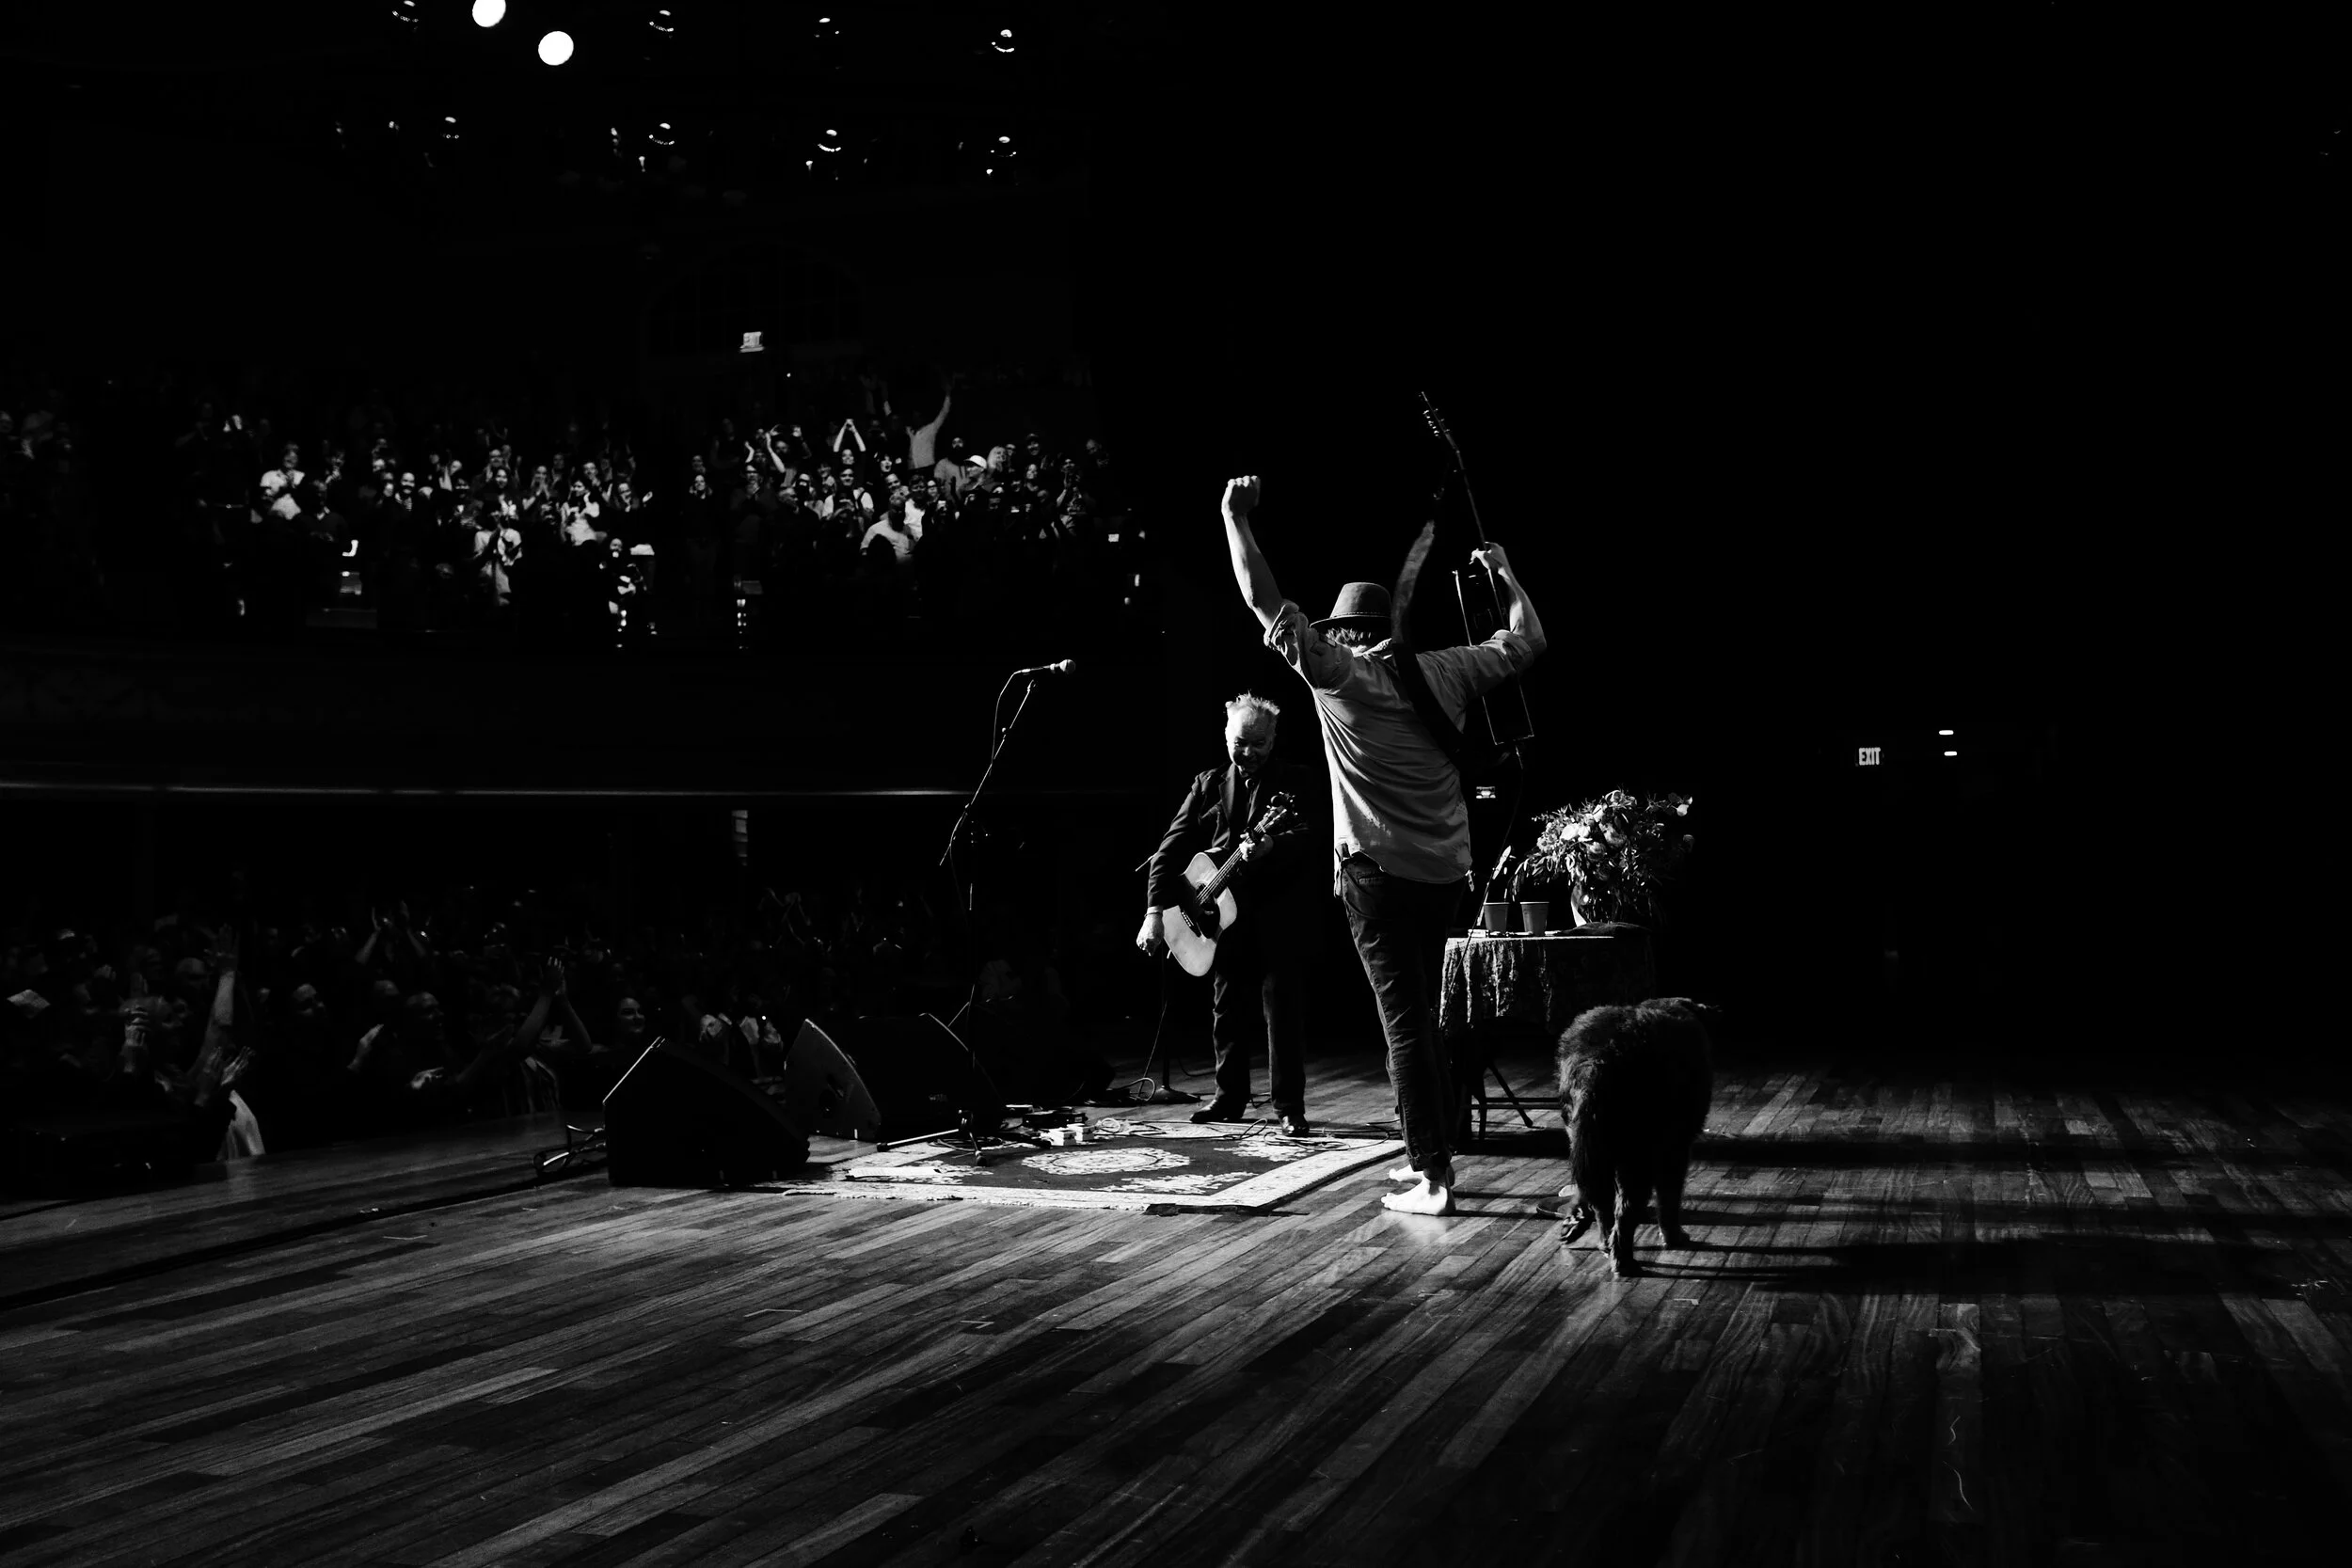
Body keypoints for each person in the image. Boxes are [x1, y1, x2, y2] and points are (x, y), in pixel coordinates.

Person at [1217, 474, 1546, 1215]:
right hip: (1445, 877)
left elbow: (1259, 597)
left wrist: (1234, 517)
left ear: (1346, 636)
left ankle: (1431, 1173)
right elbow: (1529, 641)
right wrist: (1506, 574)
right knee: (1424, 1022)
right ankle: (1427, 1154)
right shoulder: (1447, 670)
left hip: (1375, 878)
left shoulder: (1339, 678)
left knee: (1404, 1028)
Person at [1139, 692, 1324, 1133]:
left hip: (1277, 915)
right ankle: (1228, 1099)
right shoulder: (1207, 783)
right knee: (1227, 1010)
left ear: (1274, 738)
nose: (1249, 752)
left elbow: (1315, 837)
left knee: (1282, 1012)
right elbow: (1169, 849)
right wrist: (1153, 912)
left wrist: (1273, 845)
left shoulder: (1296, 781)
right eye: (1241, 742)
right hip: (1219, 920)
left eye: (1259, 743)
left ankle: (1288, 1107)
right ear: (1226, 736)